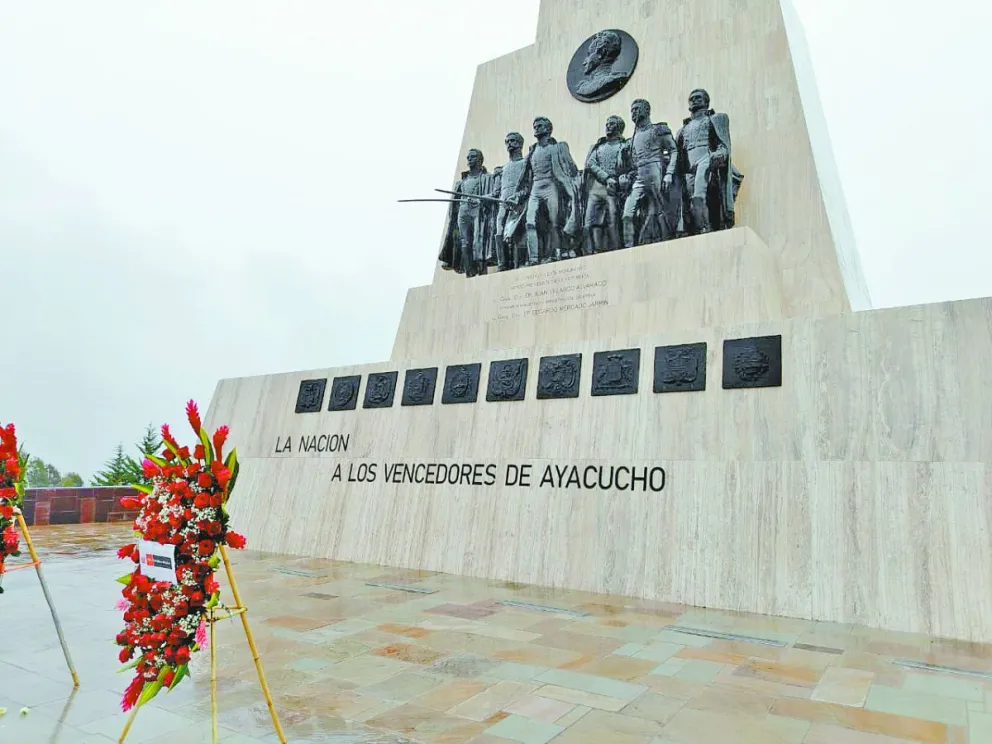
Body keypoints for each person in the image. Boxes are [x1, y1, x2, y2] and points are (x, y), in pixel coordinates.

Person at [664, 88, 743, 235]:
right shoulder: (682, 129)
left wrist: (720, 154)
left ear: (706, 102)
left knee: (698, 196)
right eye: (692, 98)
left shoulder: (714, 119)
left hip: (705, 159)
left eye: (698, 98)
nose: (694, 100)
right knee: (691, 203)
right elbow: (675, 153)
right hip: (688, 167)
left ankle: (705, 229)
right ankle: (701, 229)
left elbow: (723, 145)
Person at [513, 117, 582, 264]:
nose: (536, 128)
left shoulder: (555, 148)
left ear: (548, 129)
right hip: (536, 189)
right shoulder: (532, 151)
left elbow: (570, 168)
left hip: (551, 186)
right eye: (535, 126)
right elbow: (526, 177)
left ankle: (557, 252)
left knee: (555, 222)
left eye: (539, 126)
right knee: (529, 222)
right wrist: (517, 195)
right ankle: (533, 258)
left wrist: (570, 186)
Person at [620, 99, 678, 248]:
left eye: (637, 109)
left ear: (647, 111)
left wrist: (669, 173)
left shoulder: (658, 130)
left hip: (654, 171)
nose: (633, 113)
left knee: (658, 210)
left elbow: (674, 150)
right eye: (632, 110)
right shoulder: (631, 139)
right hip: (639, 176)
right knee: (627, 214)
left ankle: (665, 240)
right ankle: (628, 247)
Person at [438, 149, 498, 277]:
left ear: (480, 160)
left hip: (478, 211)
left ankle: (482, 271)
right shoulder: (461, 182)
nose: (469, 159)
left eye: (473, 157)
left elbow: (495, 194)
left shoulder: (488, 178)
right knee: (464, 242)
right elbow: (453, 207)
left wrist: (479, 199)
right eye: (468, 157)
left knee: (479, 241)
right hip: (463, 213)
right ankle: (469, 273)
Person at [582, 115, 627, 253]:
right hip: (597, 188)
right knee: (591, 221)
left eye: (612, 124)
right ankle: (594, 249)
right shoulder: (599, 147)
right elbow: (591, 163)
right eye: (607, 124)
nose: (607, 126)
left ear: (619, 127)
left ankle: (616, 248)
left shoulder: (624, 146)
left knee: (613, 219)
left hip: (614, 188)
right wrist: (606, 177)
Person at [492, 132, 527, 271]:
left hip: (518, 202)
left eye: (512, 141)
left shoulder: (525, 163)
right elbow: (496, 192)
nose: (509, 144)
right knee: (499, 231)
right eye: (507, 141)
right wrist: (475, 199)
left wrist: (518, 198)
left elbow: (528, 183)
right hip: (503, 203)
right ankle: (502, 263)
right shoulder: (504, 168)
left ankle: (519, 262)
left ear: (520, 143)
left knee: (517, 232)